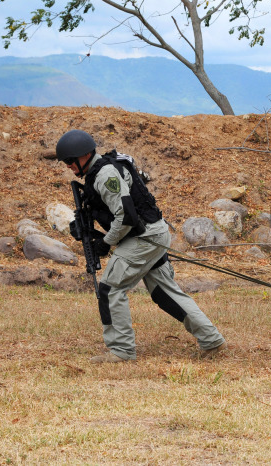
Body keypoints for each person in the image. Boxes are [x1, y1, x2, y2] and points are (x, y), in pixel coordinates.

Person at [56, 129, 227, 363]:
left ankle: (121, 350)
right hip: (151, 234)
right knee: (164, 293)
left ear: (84, 155)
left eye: (69, 160)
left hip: (144, 238)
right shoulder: (100, 171)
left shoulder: (105, 174)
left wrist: (105, 243)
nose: (67, 166)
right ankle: (211, 340)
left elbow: (126, 216)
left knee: (110, 288)